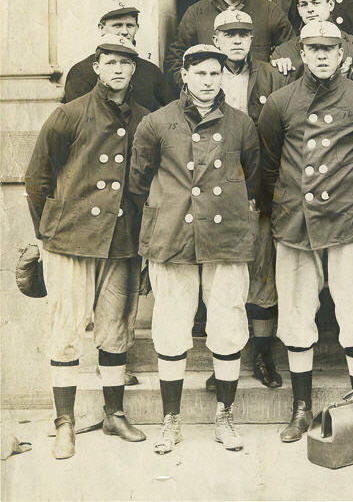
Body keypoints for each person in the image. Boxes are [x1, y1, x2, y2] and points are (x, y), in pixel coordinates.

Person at [256, 21, 353, 443]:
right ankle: (300, 408)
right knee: (295, 315)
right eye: (314, 49)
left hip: (349, 219)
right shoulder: (279, 102)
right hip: (296, 222)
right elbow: (270, 162)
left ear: (342, 54)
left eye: (330, 49)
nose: (322, 56)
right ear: (303, 53)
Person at [130, 44, 260, 454]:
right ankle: (172, 419)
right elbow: (138, 181)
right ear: (184, 75)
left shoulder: (241, 124)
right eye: (200, 73)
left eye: (215, 74)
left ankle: (225, 413)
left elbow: (254, 178)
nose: (208, 82)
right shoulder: (156, 123)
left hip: (225, 237)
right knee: (171, 325)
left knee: (227, 322)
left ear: (223, 77)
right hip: (173, 236)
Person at [25, 34, 150, 459]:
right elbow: (37, 179)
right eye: (110, 61)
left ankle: (114, 414)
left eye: (126, 63)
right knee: (66, 331)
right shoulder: (68, 115)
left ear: (134, 70)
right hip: (70, 240)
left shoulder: (144, 120)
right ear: (96, 67)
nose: (118, 69)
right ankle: (66, 423)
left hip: (122, 241)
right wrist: (49, 236)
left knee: (115, 329)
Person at [192, 10, 287, 392]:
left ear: (252, 39)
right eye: (228, 34)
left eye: (243, 34)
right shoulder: (200, 78)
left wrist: (267, 194)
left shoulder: (271, 76)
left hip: (258, 188)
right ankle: (224, 364)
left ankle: (263, 356)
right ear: (216, 39)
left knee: (262, 277)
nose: (236, 41)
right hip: (213, 194)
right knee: (222, 285)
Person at [164, 0, 294, 84]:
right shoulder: (196, 13)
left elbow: (293, 48)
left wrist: (282, 60)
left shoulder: (268, 10)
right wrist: (194, 89)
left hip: (256, 100)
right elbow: (174, 60)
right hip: (211, 101)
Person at [64, 1, 173, 112]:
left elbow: (170, 112)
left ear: (137, 28)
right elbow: (77, 120)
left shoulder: (151, 71)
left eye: (130, 25)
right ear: (101, 28)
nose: (124, 32)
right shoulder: (80, 73)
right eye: (117, 25)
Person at [270, 0, 353, 81]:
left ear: (330, 4)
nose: (310, 9)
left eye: (316, 3)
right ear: (298, 9)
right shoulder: (283, 52)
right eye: (304, 5)